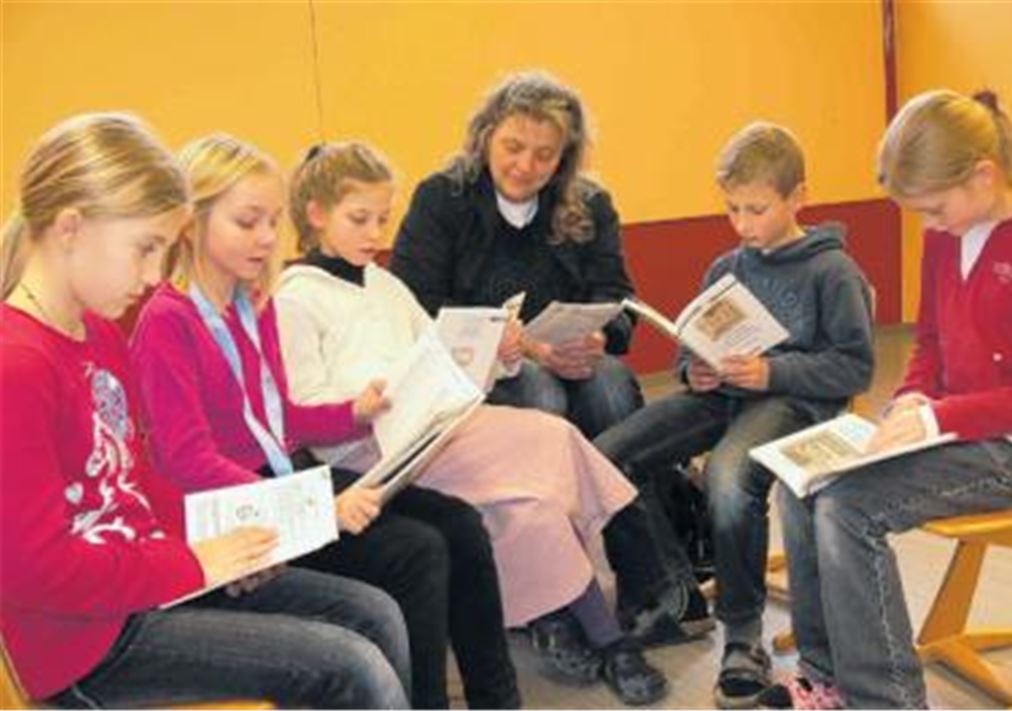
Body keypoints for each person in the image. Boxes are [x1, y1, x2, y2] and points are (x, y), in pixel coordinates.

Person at [0, 113, 410, 709]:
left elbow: (139, 485)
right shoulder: (17, 365)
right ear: (70, 228)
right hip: (88, 646)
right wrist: (193, 565)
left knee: (373, 615)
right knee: (350, 668)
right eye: (144, 250)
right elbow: (34, 570)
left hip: (145, 587)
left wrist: (224, 545)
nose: (150, 276)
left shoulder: (98, 331)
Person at [276, 140, 698, 705]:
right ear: (315, 215)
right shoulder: (295, 299)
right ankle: (608, 635)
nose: (376, 233)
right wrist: (364, 403)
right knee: (528, 505)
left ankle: (614, 603)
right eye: (360, 219)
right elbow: (303, 408)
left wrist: (493, 354)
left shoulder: (383, 283)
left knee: (555, 439)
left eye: (383, 218)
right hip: (375, 449)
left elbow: (436, 359)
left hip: (437, 425)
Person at [129, 133, 519, 709]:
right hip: (236, 509)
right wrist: (313, 506)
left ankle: (497, 699)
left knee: (458, 524)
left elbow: (277, 416)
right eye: (247, 222)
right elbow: (189, 459)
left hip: (281, 480)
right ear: (191, 222)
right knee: (416, 551)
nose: (266, 238)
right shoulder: (168, 321)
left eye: (272, 222)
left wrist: (355, 413)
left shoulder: (246, 303)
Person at [593, 122, 875, 708]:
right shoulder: (728, 266)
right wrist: (693, 369)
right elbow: (694, 345)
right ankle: (673, 591)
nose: (743, 225)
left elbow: (854, 368)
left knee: (728, 476)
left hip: (793, 403)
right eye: (732, 210)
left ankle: (742, 637)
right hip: (719, 395)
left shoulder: (833, 272)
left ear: (798, 197)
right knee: (606, 457)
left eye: (757, 209)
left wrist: (774, 373)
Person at [761, 89, 1012, 709]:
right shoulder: (944, 237)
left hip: (1011, 448)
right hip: (956, 432)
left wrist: (938, 415)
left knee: (848, 508)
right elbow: (928, 340)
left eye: (933, 209)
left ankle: (887, 701)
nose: (928, 226)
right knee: (803, 484)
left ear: (985, 175)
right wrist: (908, 400)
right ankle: (827, 679)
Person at [391, 71, 642, 439]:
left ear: (564, 159)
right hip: (481, 365)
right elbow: (414, 302)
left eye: (544, 155)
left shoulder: (590, 204)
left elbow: (617, 296)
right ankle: (544, 496)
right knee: (539, 391)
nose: (525, 166)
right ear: (486, 136)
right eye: (512, 147)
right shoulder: (442, 198)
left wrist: (598, 336)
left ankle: (624, 492)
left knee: (612, 385)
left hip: (570, 356)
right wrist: (525, 346)